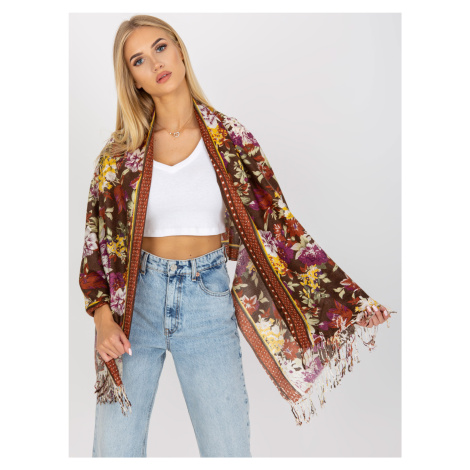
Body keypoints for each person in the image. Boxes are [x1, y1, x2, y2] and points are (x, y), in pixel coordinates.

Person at [79, 14, 391, 459]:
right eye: (139, 60)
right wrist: (102, 320)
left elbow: (280, 228)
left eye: (161, 47)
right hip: (135, 308)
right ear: (133, 80)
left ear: (180, 50)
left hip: (206, 303)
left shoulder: (231, 139)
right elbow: (95, 247)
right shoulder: (119, 155)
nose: (156, 62)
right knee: (113, 451)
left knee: (227, 451)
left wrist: (348, 303)